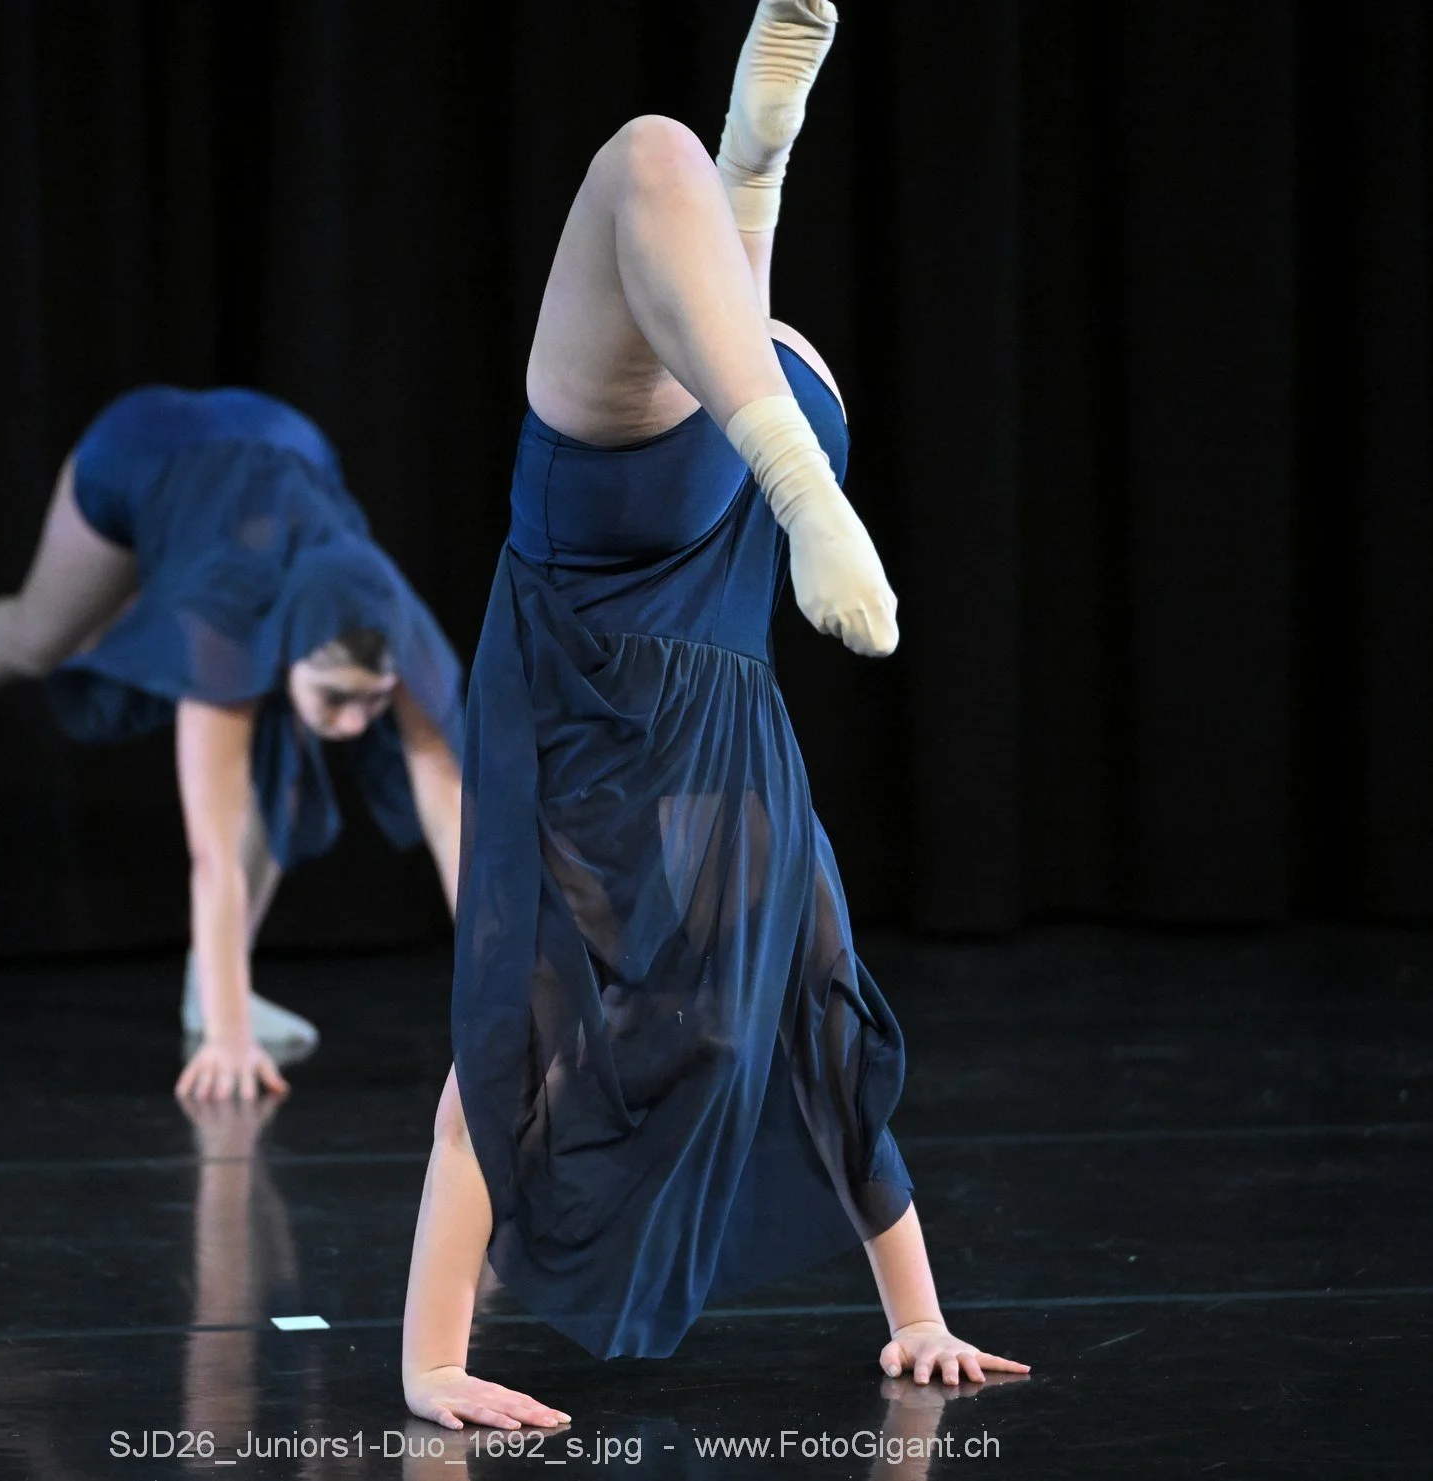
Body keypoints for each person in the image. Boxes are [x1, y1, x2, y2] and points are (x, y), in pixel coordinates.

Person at [399, 0, 1027, 1430]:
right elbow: (489, 1095)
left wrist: (919, 1313)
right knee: (647, 165)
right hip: (662, 521)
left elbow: (828, 1058)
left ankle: (754, 176)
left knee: (656, 172)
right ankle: (748, 192)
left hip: (724, 464)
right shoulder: (697, 886)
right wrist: (917, 1322)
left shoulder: (743, 872)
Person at [0, 385, 466, 1102]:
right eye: (336, 699)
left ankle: (206, 986)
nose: (356, 724)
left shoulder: (390, 626)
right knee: (37, 640)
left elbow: (456, 821)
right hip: (145, 450)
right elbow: (213, 854)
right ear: (286, 654)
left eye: (372, 700)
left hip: (286, 445)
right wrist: (228, 1034)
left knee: (284, 755)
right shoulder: (222, 632)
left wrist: (512, 1003)